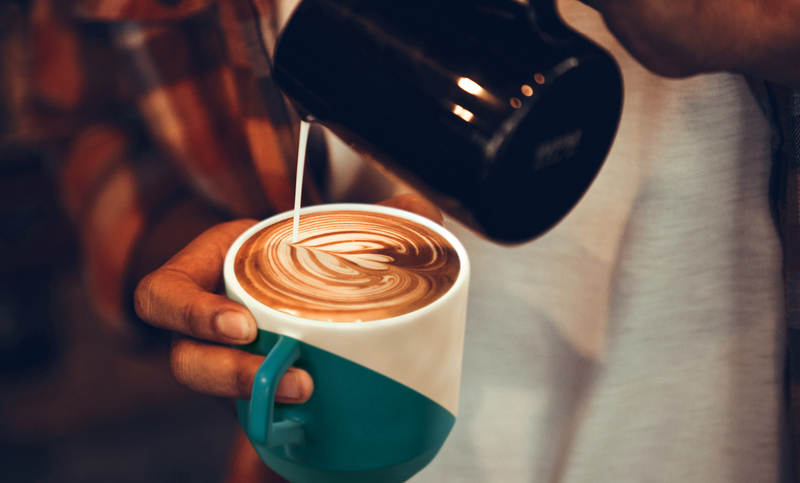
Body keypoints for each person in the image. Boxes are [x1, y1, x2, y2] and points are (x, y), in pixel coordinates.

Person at [32, 0, 800, 481]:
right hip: (334, 454)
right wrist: (241, 274)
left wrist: (760, 25)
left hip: (715, 438)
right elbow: (83, 116)